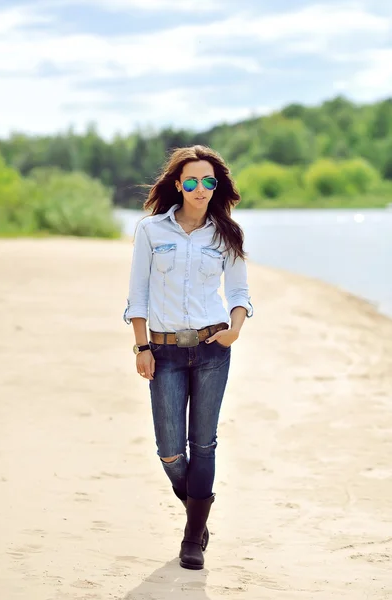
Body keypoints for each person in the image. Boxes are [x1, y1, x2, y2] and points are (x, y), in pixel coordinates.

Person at [123, 145, 253, 570]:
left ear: (217, 187)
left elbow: (238, 293)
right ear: (178, 184)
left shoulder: (227, 233)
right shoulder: (151, 231)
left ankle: (192, 537)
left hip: (214, 348)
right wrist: (142, 346)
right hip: (164, 351)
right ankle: (199, 510)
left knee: (204, 443)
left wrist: (234, 329)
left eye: (209, 181)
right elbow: (137, 294)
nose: (201, 189)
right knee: (170, 450)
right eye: (192, 181)